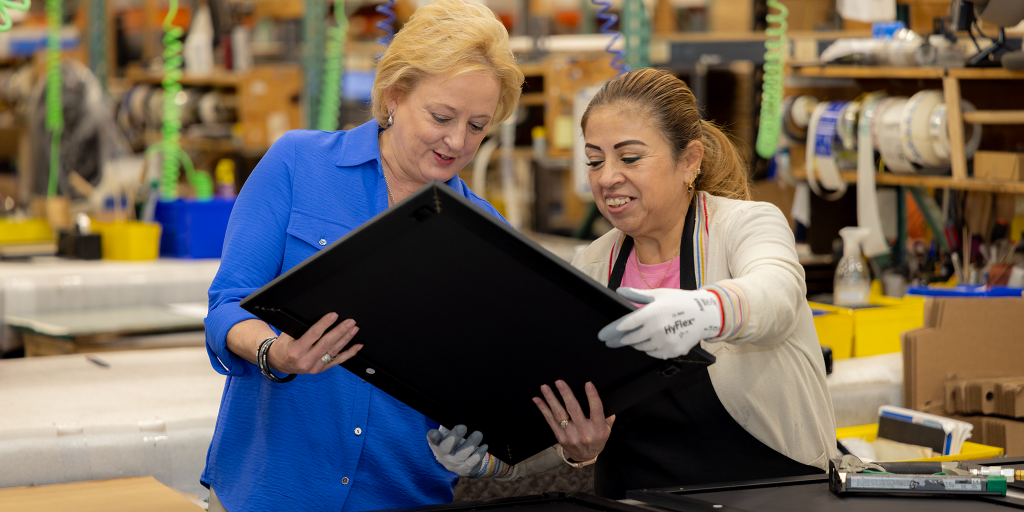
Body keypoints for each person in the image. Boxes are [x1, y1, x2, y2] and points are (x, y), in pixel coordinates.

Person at [201, 1, 525, 510]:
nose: (457, 141)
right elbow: (227, 306)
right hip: (273, 493)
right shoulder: (297, 163)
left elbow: (497, 390)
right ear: (394, 95)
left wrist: (491, 448)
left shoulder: (487, 234)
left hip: (404, 495)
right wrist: (276, 353)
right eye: (441, 116)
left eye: (478, 126)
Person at [531, 68, 837, 499]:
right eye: (595, 160)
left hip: (768, 495)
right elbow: (562, 404)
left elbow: (779, 295)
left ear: (689, 160)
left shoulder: (745, 225)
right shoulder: (593, 266)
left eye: (630, 157)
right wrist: (570, 449)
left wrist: (705, 311)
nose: (605, 177)